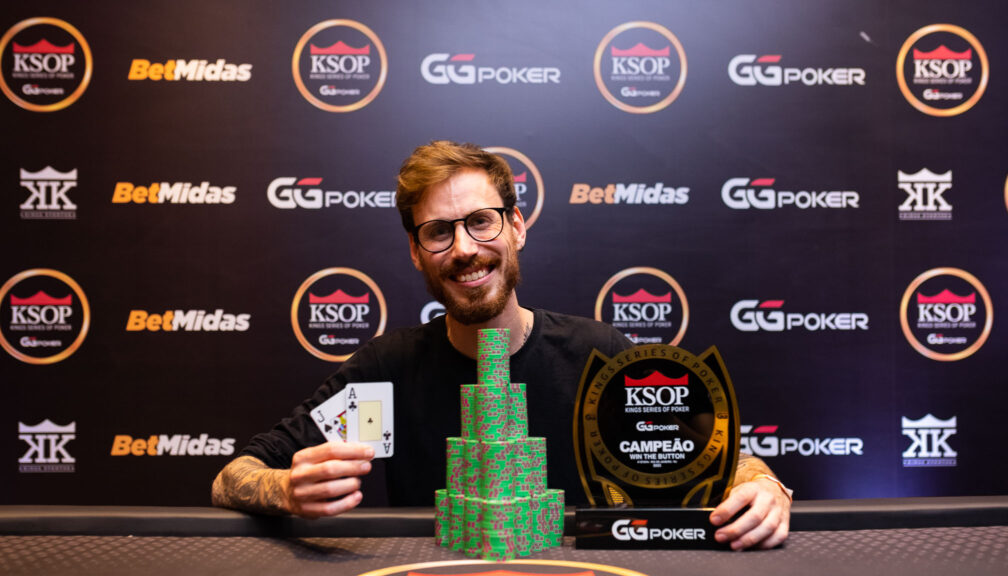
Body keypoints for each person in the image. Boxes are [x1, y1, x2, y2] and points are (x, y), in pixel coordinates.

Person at [212, 141, 792, 550]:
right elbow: (232, 476)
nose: (464, 248)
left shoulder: (600, 357)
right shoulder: (385, 375)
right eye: (438, 232)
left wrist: (762, 486)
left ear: (516, 226)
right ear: (415, 252)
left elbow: (724, 461)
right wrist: (284, 489)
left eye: (481, 221)